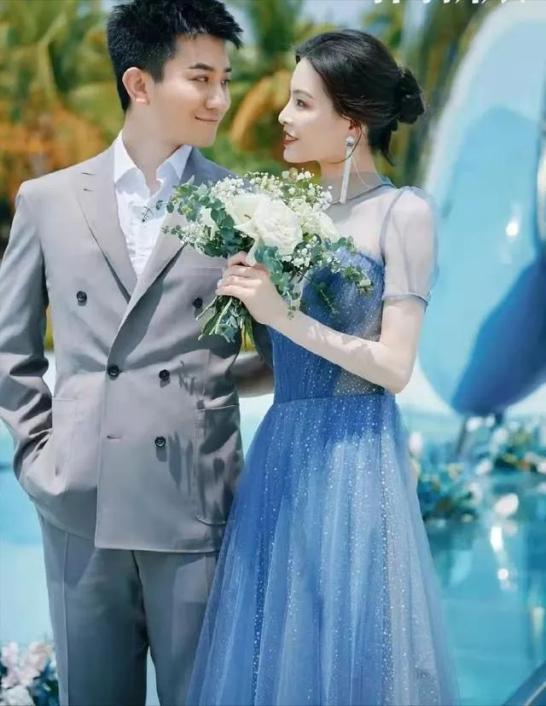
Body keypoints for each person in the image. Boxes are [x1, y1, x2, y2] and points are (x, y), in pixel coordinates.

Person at [0, 1, 271, 704]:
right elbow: (11, 348)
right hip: (79, 504)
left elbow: (278, 353)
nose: (219, 99)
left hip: (194, 500)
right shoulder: (47, 200)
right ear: (139, 83)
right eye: (201, 78)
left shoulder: (245, 206)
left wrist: (202, 391)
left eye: (225, 81)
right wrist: (39, 458)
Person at [187, 30, 460, 706]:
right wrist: (197, 371)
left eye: (302, 103)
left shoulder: (404, 212)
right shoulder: (293, 215)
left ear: (352, 121)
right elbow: (286, 363)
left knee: (350, 659)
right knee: (279, 657)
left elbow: (394, 367)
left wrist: (280, 314)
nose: (284, 116)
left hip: (354, 462)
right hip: (281, 457)